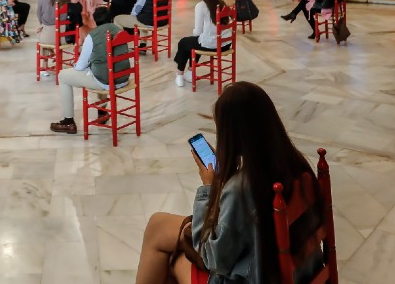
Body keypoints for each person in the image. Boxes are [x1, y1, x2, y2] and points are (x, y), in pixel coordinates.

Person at [134, 82, 325, 284]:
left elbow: (214, 260)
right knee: (158, 225)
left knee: (175, 258)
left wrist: (210, 188)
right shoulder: (296, 163)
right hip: (297, 274)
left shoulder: (242, 188)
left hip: (251, 276)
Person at [49, 6, 128, 134]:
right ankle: (102, 112)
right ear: (111, 18)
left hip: (107, 80)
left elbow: (81, 66)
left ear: (95, 21)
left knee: (63, 76)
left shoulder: (93, 36)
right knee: (100, 69)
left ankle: (68, 121)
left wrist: (76, 65)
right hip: (123, 78)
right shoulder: (120, 30)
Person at [174, 0, 233, 88]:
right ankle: (190, 72)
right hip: (226, 44)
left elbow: (197, 32)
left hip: (212, 44)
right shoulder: (222, 3)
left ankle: (180, 75)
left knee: (184, 43)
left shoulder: (201, 6)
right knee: (194, 42)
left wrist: (195, 35)